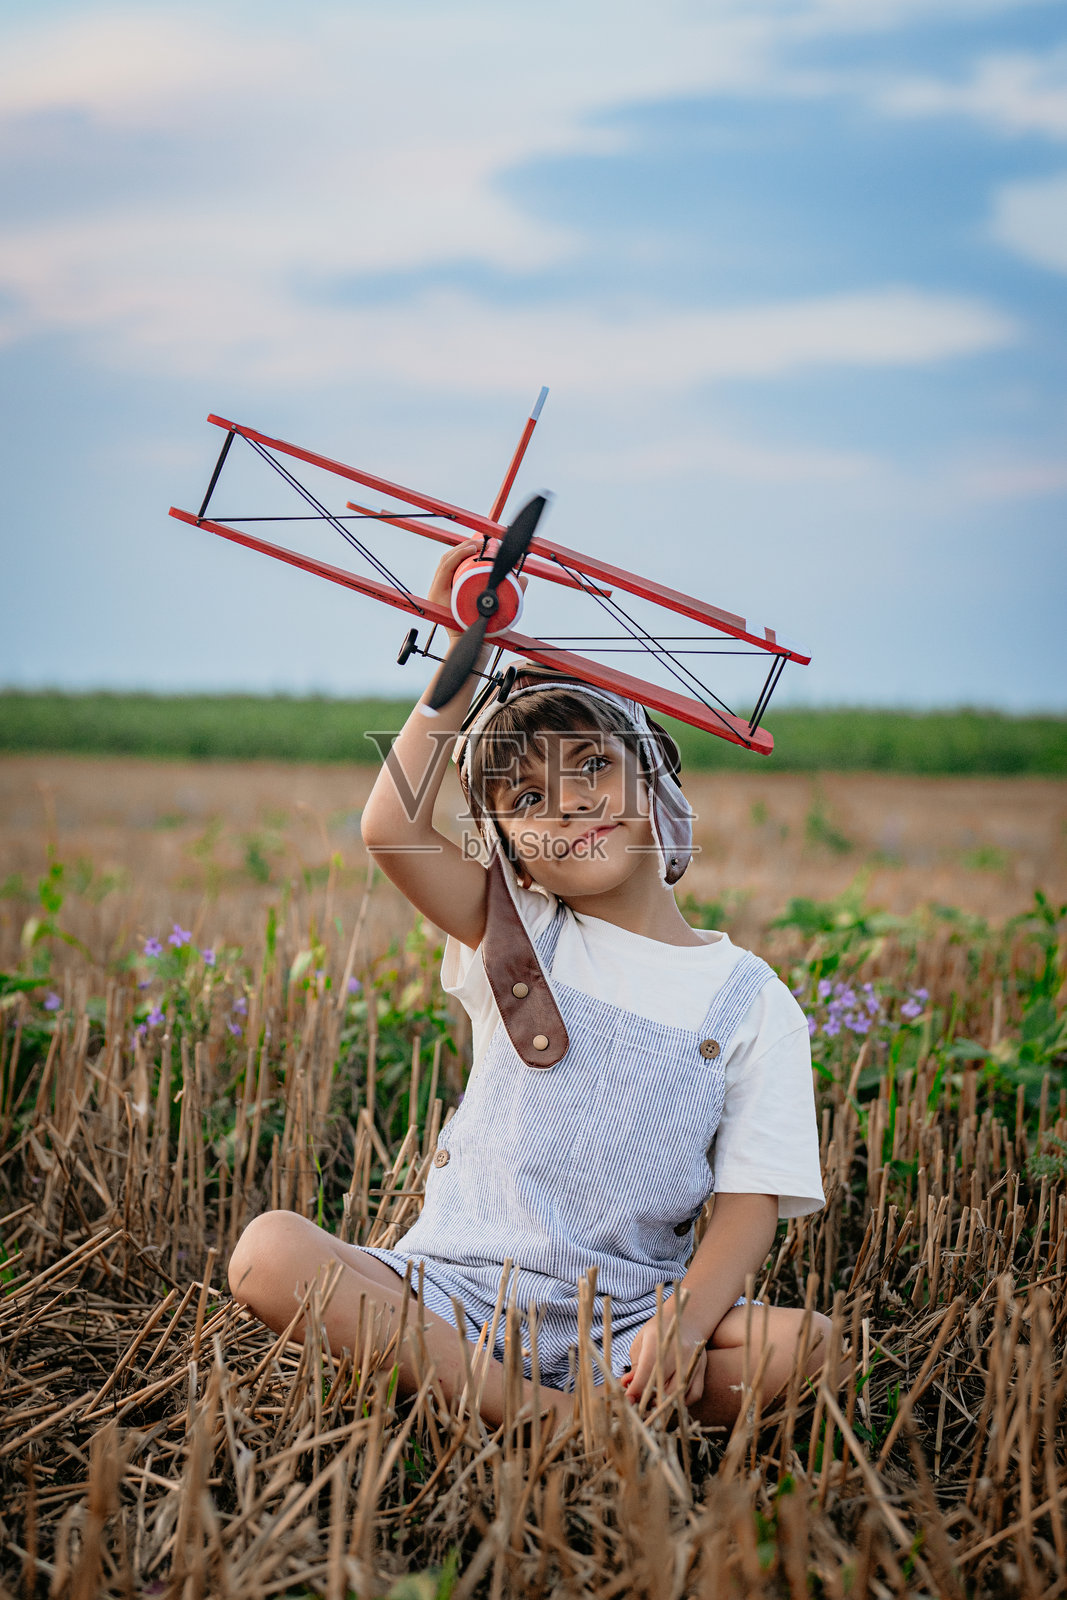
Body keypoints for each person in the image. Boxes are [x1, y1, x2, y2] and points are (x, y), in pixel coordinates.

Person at [229, 540, 831, 1433]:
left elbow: (747, 1207)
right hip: (447, 1297)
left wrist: (681, 1325)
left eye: (593, 767)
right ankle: (543, 1417)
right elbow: (390, 826)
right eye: (527, 796)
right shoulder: (514, 932)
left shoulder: (749, 999)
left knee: (810, 1346)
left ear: (653, 783)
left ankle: (565, 1406)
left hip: (624, 1321)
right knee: (267, 1252)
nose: (570, 803)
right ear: (509, 850)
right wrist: (456, 644)